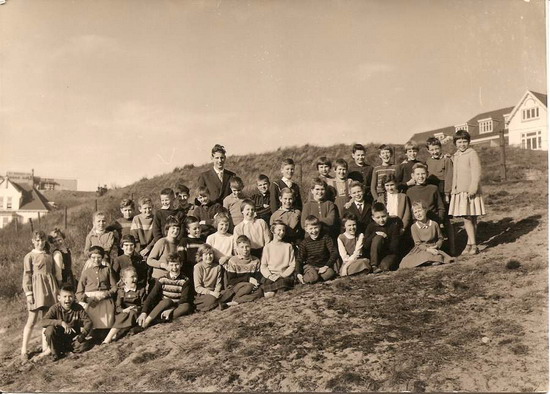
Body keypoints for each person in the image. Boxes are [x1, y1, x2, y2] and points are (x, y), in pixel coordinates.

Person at [21, 231, 60, 361]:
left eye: (42, 240)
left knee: (46, 319)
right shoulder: (29, 256)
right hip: (36, 290)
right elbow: (27, 275)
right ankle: (24, 350)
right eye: (37, 240)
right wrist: (29, 293)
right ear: (33, 241)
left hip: (49, 288)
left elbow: (54, 273)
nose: (40, 243)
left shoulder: (49, 255)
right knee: (31, 320)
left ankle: (45, 348)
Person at [448, 130, 486, 255]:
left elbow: (476, 171)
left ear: (468, 142)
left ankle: (473, 245)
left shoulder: (472, 153)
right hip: (460, 190)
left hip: (469, 190)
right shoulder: (456, 155)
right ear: (455, 143)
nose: (462, 144)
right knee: (469, 217)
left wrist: (473, 187)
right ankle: (470, 244)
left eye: (465, 141)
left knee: (469, 217)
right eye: (459, 142)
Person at [137, 253, 192, 328]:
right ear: (168, 265)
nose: (174, 268)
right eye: (171, 265)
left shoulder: (185, 280)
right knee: (167, 301)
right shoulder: (162, 279)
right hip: (163, 305)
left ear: (181, 264)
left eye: (176, 265)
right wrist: (144, 312)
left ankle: (159, 319)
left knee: (186, 306)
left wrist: (172, 309)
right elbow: (151, 296)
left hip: (176, 305)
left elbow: (183, 299)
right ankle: (147, 322)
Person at [41, 285, 93, 361]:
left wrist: (82, 335)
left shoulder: (78, 308)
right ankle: (55, 353)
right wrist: (61, 322)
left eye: (70, 296)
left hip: (72, 338)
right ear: (59, 298)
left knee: (84, 345)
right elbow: (43, 322)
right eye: (64, 296)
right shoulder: (54, 308)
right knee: (49, 330)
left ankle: (67, 350)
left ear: (74, 297)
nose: (67, 299)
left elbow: (88, 322)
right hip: (59, 338)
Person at [400, 202, 455, 269]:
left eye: (420, 211)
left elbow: (440, 238)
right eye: (415, 212)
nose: (418, 214)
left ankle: (430, 260)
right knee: (405, 261)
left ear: (425, 210)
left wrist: (436, 245)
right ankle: (429, 260)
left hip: (433, 247)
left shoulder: (434, 224)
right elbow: (418, 244)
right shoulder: (414, 227)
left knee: (437, 255)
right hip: (421, 249)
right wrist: (428, 249)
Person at [426, 137, 455, 255]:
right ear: (428, 151)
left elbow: (449, 177)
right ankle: (437, 246)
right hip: (432, 189)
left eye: (437, 149)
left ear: (440, 148)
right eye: (432, 150)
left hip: (443, 190)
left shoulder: (446, 160)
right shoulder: (428, 161)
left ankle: (452, 247)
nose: (435, 152)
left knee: (446, 219)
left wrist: (447, 194)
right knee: (435, 218)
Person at [76, 246, 117, 330]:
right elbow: (79, 292)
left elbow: (114, 287)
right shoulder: (86, 272)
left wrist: (105, 295)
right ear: (90, 258)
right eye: (93, 257)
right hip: (90, 300)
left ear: (102, 257)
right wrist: (87, 299)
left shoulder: (107, 269)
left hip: (104, 299)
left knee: (105, 328)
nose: (96, 260)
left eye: (99, 257)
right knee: (89, 325)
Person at [103, 267, 146, 343]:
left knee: (131, 313)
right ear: (124, 280)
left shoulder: (141, 290)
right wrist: (124, 310)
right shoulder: (121, 291)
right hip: (124, 313)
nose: (135, 279)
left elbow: (144, 304)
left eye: (135, 276)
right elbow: (118, 307)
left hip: (135, 313)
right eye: (132, 277)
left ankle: (112, 336)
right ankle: (109, 337)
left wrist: (137, 308)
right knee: (123, 314)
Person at [219, 235, 263, 309]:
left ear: (250, 247)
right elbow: (231, 281)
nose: (245, 249)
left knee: (260, 292)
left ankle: (232, 303)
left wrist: (257, 283)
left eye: (247, 246)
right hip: (235, 287)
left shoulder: (256, 260)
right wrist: (248, 279)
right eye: (242, 247)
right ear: (237, 249)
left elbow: (258, 277)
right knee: (248, 286)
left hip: (251, 286)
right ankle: (234, 298)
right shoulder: (233, 261)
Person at [296, 215, 338, 284]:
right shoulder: (304, 243)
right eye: (311, 229)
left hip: (322, 267)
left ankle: (315, 278)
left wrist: (326, 266)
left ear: (320, 227)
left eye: (316, 228)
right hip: (310, 266)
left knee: (330, 273)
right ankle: (310, 277)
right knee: (313, 276)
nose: (314, 231)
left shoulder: (326, 238)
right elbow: (299, 259)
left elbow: (334, 253)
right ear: (306, 229)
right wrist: (298, 273)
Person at [260, 221, 296, 297]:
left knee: (282, 288)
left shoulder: (288, 246)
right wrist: (269, 276)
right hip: (271, 276)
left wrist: (283, 275)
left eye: (283, 230)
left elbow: (292, 265)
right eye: (279, 230)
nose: (282, 232)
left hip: (283, 275)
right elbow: (263, 266)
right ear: (273, 231)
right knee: (268, 294)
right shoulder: (267, 247)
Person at [364, 202, 402, 273]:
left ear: (387, 214)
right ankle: (374, 265)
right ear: (373, 218)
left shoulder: (393, 225)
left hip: (389, 253)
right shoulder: (371, 227)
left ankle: (381, 265)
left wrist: (386, 239)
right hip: (375, 255)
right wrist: (374, 234)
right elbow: (365, 245)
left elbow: (394, 247)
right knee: (378, 237)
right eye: (378, 217)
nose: (381, 220)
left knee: (385, 266)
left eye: (383, 216)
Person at [147, 217, 181, 283]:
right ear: (167, 229)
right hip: (159, 278)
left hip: (173, 278)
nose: (176, 231)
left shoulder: (179, 243)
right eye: (173, 228)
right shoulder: (162, 242)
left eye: (178, 229)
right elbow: (149, 260)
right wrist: (163, 265)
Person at [193, 244, 223, 312]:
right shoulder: (198, 267)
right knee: (211, 299)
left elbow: (219, 283)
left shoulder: (217, 267)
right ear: (201, 256)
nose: (208, 256)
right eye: (205, 254)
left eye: (210, 254)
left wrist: (216, 292)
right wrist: (212, 293)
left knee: (228, 292)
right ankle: (218, 304)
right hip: (203, 294)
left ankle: (216, 304)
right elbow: (198, 287)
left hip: (215, 292)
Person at [178, 216, 206, 282]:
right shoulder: (184, 241)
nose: (198, 230)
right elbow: (181, 259)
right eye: (195, 229)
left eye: (199, 227)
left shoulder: (203, 240)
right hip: (189, 273)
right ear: (188, 230)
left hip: (201, 273)